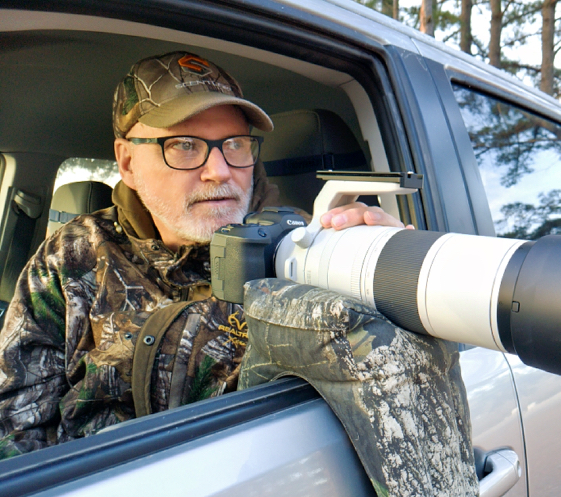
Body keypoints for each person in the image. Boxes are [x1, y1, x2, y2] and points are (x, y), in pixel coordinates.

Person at [0, 51, 408, 458]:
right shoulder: (73, 255)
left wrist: (389, 277)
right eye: (184, 145)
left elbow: (390, 404)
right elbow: (14, 425)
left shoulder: (309, 252)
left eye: (235, 144)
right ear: (126, 161)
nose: (220, 170)